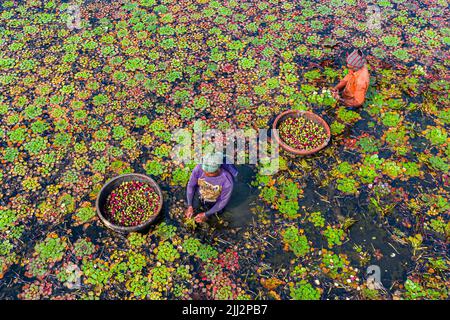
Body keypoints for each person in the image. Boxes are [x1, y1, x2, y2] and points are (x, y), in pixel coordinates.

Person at [185, 152, 237, 223]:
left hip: (216, 201)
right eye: (204, 171)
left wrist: (206, 214)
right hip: (202, 195)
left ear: (218, 169)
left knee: (217, 215)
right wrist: (190, 205)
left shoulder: (227, 180)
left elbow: (223, 201)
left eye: (210, 173)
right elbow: (191, 185)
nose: (206, 174)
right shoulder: (198, 168)